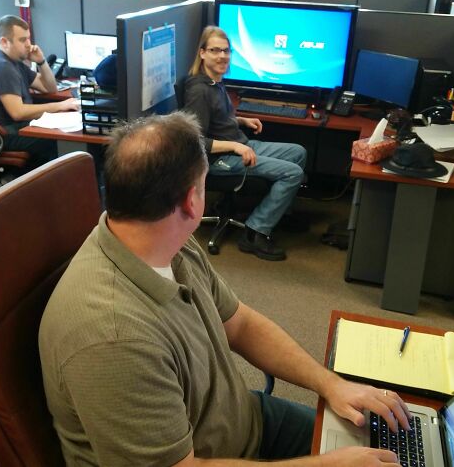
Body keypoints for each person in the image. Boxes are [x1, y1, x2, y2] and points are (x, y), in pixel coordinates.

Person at [39, 111, 411, 466]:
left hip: (242, 421)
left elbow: (240, 323)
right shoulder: (113, 336)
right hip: (203, 457)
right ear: (191, 201)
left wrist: (331, 384)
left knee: (390, 443)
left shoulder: (168, 242)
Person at [183, 26, 307, 262]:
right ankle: (255, 232)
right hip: (218, 160)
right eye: (215, 50)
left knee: (298, 152)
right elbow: (195, 141)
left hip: (239, 144)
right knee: (293, 173)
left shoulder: (215, 82)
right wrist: (236, 147)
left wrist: (240, 120)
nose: (222, 56)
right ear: (202, 53)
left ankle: (278, 213)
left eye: (226, 50)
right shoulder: (199, 91)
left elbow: (216, 118)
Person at [0, 15, 79, 167]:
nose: (29, 44)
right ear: (4, 42)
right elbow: (18, 112)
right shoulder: (1, 66)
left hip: (9, 128)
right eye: (22, 40)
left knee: (59, 134)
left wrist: (41, 61)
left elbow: (49, 88)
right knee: (56, 140)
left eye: (28, 38)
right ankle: (38, 180)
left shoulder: (13, 61)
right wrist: (60, 106)